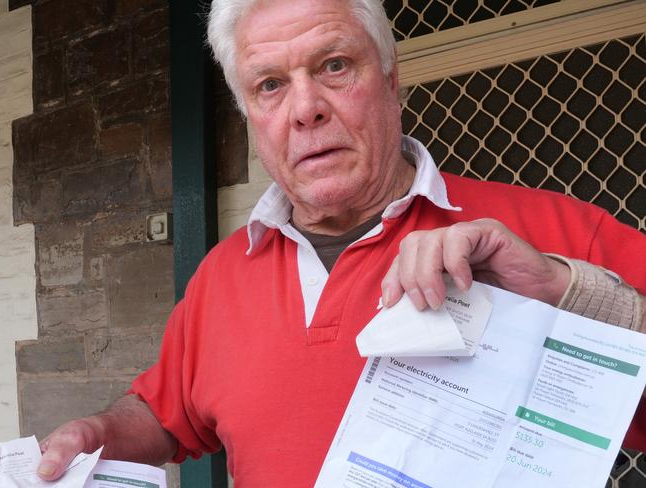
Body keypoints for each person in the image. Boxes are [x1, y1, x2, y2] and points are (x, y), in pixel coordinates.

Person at [37, 0, 646, 486]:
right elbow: (169, 415)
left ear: (390, 78)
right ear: (250, 112)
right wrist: (101, 430)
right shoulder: (223, 273)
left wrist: (568, 293)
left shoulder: (554, 235)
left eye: (333, 65)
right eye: (270, 84)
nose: (305, 110)